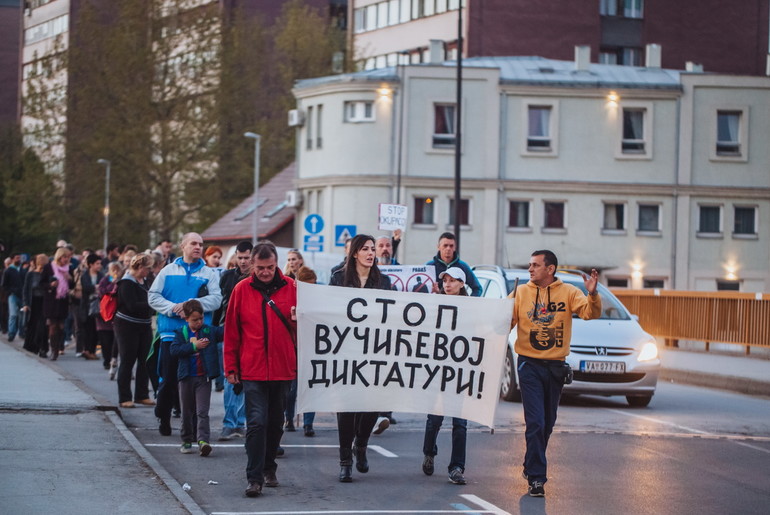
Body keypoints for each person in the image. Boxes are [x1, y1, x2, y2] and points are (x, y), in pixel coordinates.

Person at [511, 250, 600, 497]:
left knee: (547, 424)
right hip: (528, 364)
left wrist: (592, 293)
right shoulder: (520, 292)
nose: (530, 269)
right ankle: (537, 479)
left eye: (535, 265)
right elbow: (501, 321)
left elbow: (590, 313)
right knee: (536, 422)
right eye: (529, 265)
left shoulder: (569, 292)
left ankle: (531, 465)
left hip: (555, 367)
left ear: (550, 269)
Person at [224, 241, 297, 498]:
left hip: (282, 367)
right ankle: (253, 478)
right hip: (252, 368)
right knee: (256, 423)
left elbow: (307, 326)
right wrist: (230, 367)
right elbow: (231, 331)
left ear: (277, 264)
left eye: (270, 267)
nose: (266, 272)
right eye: (261, 267)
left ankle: (269, 467)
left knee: (276, 423)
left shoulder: (293, 288)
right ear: (251, 266)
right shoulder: (241, 290)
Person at [329, 234, 392, 483]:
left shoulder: (383, 281)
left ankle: (362, 444)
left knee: (372, 405)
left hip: (374, 351)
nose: (370, 253)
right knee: (346, 407)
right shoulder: (338, 278)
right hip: (346, 350)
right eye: (365, 249)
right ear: (354, 253)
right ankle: (345, 460)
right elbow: (327, 308)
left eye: (373, 249)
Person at [149, 233, 222, 436]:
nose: (198, 247)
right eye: (193, 243)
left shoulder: (209, 273)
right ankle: (163, 416)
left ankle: (190, 429)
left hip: (199, 335)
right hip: (171, 335)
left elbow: (217, 299)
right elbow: (153, 297)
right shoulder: (168, 271)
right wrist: (174, 308)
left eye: (200, 244)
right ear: (183, 246)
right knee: (168, 379)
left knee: (194, 381)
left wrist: (192, 307)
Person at [421, 267, 469, 485]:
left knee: (460, 423)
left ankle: (457, 467)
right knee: (434, 420)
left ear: (462, 284)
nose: (448, 284)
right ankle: (429, 452)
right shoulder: (434, 304)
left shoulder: (474, 308)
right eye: (445, 280)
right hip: (438, 372)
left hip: (461, 373)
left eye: (453, 280)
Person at [171, 299, 223, 456]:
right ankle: (186, 440)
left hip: (203, 379)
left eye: (201, 318)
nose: (199, 322)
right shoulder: (181, 333)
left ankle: (203, 441)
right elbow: (174, 351)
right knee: (186, 411)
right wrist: (194, 346)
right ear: (186, 319)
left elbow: (226, 331)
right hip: (186, 377)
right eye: (195, 320)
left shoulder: (209, 331)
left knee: (202, 411)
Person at [216, 240, 253, 441]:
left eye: (247, 257)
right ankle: (230, 423)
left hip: (249, 334)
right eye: (240, 258)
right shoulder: (227, 277)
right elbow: (221, 306)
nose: (243, 261)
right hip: (227, 331)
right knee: (229, 379)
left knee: (247, 380)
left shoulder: (256, 279)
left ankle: (241, 422)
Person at [114, 253, 156, 409]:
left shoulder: (145, 281)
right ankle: (124, 397)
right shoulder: (126, 283)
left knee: (145, 360)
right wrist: (152, 303)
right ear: (139, 267)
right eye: (147, 268)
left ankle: (142, 395)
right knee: (127, 360)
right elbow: (132, 305)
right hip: (127, 326)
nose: (149, 271)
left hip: (144, 325)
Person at [293, 265, 317, 437]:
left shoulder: (318, 298)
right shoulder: (291, 297)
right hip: (294, 346)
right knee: (292, 388)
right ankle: (288, 418)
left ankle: (308, 423)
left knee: (311, 387)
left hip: (312, 346)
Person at [40, 247, 73, 360]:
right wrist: (50, 285)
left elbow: (72, 286)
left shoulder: (69, 268)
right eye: (64, 257)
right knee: (53, 326)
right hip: (51, 300)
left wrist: (69, 279)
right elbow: (41, 283)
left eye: (68, 257)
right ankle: (54, 350)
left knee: (61, 326)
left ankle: (59, 346)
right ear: (59, 256)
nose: (66, 259)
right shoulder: (49, 267)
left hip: (63, 300)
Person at [426, 232, 482, 297]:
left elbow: (477, 288)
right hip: (434, 305)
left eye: (451, 246)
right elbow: (420, 289)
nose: (448, 248)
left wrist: (470, 303)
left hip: (459, 305)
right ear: (438, 247)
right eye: (445, 245)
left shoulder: (463, 266)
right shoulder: (429, 266)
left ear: (455, 247)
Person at [98, 261, 124, 379]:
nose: (115, 273)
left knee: (118, 339)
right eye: (113, 270)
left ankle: (117, 362)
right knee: (109, 339)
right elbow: (102, 292)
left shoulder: (123, 280)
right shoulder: (106, 279)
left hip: (119, 312)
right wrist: (111, 286)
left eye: (117, 270)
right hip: (108, 312)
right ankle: (110, 360)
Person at [78, 254, 104, 361]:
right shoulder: (85, 275)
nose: (99, 266)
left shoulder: (101, 275)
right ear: (90, 265)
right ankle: (87, 350)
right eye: (97, 263)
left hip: (97, 306)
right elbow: (86, 287)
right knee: (86, 328)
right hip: (87, 306)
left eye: (100, 263)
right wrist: (95, 287)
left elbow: (106, 284)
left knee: (95, 329)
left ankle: (92, 351)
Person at [22, 254, 49, 356]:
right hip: (33, 301)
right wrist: (25, 303)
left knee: (43, 325)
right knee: (32, 324)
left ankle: (42, 348)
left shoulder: (48, 275)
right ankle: (31, 346)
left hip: (45, 301)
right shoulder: (30, 274)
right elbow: (25, 289)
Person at [1, 253, 23, 342]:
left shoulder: (23, 269)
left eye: (19, 258)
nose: (19, 259)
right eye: (17, 258)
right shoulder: (8, 271)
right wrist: (11, 291)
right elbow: (4, 285)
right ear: (13, 259)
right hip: (13, 295)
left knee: (22, 315)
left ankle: (21, 332)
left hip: (22, 295)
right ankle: (11, 333)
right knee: (13, 315)